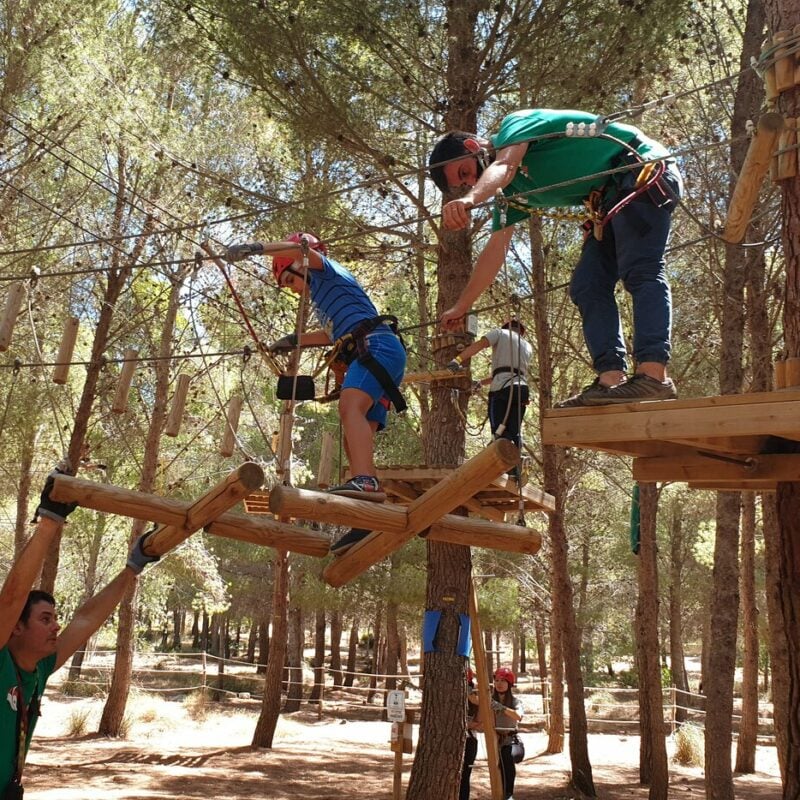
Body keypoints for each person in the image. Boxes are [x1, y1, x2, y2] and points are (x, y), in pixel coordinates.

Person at [430, 108, 683, 407]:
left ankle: (654, 374)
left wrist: (470, 200)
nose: (472, 182)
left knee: (641, 268)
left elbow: (506, 164)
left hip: (639, 168)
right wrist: (462, 306)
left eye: (465, 173)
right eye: (465, 184)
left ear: (473, 147)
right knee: (587, 285)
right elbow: (494, 251)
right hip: (609, 199)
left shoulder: (516, 125)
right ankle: (611, 380)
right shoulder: (511, 195)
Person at [226, 233, 407, 555]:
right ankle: (365, 517)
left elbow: (300, 246)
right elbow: (329, 334)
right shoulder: (326, 300)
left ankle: (366, 481)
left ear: (299, 265)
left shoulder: (328, 272)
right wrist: (292, 339)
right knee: (359, 429)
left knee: (349, 408)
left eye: (287, 280)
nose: (291, 290)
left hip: (376, 345)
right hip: (377, 352)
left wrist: (256, 249)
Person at [0, 471, 158, 798]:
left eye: (55, 618)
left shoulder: (40, 668)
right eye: (45, 619)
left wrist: (133, 567)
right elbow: (12, 596)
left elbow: (85, 619)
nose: (56, 626)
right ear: (16, 625)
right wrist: (49, 521)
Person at [447, 318, 531, 479]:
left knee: (498, 431)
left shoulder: (499, 333)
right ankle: (518, 466)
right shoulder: (527, 346)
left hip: (502, 389)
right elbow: (509, 371)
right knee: (514, 431)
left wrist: (457, 360)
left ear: (506, 327)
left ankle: (508, 469)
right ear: (520, 331)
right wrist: (480, 383)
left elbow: (479, 345)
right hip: (521, 389)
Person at [491, 667, 524, 800]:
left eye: (503, 681)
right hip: (495, 742)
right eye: (497, 680)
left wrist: (501, 708)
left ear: (509, 684)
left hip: (512, 742)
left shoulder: (516, 702)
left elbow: (518, 716)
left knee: (507, 755)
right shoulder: (490, 701)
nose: (499, 683)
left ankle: (509, 794)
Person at [460, 668, 481, 800]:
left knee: (465, 775)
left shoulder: (475, 692)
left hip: (470, 738)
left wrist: (468, 693)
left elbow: (480, 721)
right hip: (452, 740)